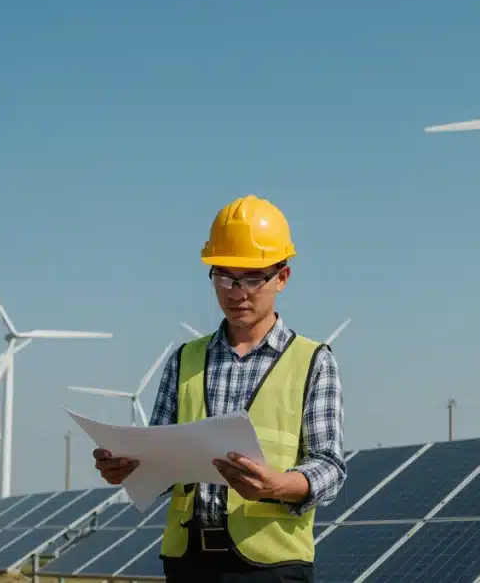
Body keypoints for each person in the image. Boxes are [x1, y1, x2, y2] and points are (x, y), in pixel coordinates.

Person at [93, 194, 346, 582]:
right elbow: (161, 460)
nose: (236, 291)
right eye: (224, 276)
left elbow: (329, 465)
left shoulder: (313, 361)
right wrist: (128, 469)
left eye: (251, 278)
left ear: (282, 277)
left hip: (272, 566)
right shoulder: (184, 360)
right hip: (188, 561)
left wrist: (278, 484)